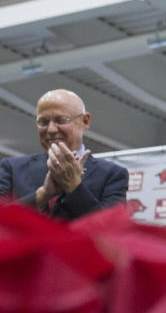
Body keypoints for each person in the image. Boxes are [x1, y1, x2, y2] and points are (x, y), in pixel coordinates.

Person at [0, 89, 128, 219]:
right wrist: (42, 195)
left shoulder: (112, 175)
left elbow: (112, 230)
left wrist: (74, 188)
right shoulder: (12, 169)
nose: (51, 129)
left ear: (85, 121)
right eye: (43, 122)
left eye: (61, 120)